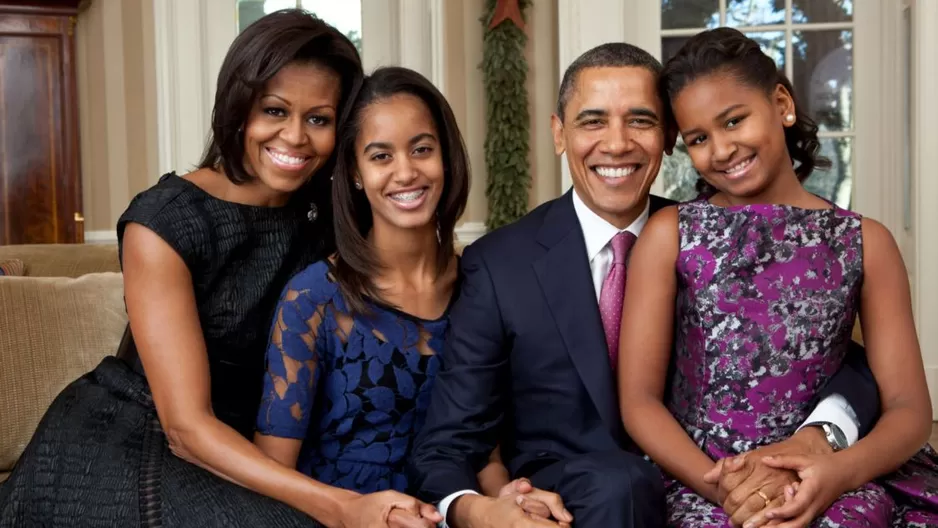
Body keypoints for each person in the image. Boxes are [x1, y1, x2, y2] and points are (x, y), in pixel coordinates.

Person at [408, 41, 882, 528]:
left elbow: (835, 357)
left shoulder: (714, 236)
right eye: (593, 121)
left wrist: (824, 431)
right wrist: (483, 509)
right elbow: (447, 444)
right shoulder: (499, 265)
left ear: (669, 136)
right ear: (558, 133)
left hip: (718, 483)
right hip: (579, 505)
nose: (616, 144)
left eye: (640, 120)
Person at [0, 10, 366, 527]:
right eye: (274, 110)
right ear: (239, 107)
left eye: (319, 119)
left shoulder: (327, 216)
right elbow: (187, 428)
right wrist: (340, 505)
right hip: (133, 440)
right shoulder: (165, 221)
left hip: (252, 446)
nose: (295, 137)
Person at [618, 27, 938, 528]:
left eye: (734, 120)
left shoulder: (866, 241)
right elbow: (638, 401)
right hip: (703, 477)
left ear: (782, 104)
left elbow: (910, 409)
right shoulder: (670, 234)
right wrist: (724, 488)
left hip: (828, 473)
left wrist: (833, 473)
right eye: (699, 138)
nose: (721, 150)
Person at [253, 66, 556, 528]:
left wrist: (508, 498)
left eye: (422, 149)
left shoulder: (485, 283)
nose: (406, 172)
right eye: (380, 156)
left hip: (455, 513)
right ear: (354, 172)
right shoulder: (312, 299)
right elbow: (271, 473)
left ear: (446, 158)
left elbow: (484, 450)